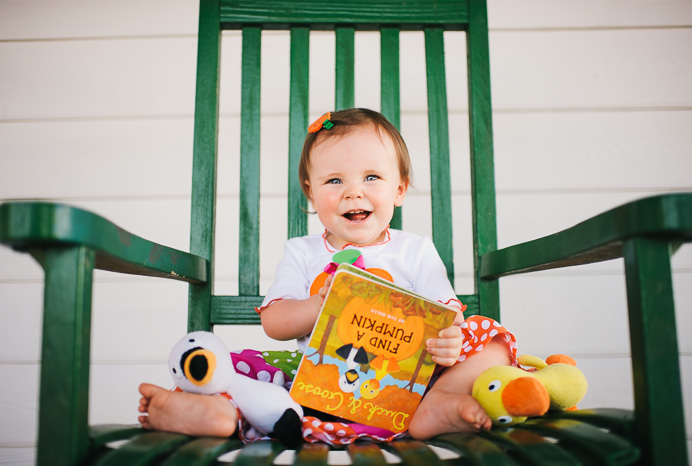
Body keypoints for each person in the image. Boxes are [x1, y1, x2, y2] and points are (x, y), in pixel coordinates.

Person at [138, 108, 518, 443]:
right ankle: (214, 416)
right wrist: (322, 304)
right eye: (334, 181)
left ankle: (438, 404)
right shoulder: (302, 252)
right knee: (232, 368)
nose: (353, 192)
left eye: (372, 177)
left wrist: (450, 339)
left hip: (407, 390)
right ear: (311, 192)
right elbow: (274, 321)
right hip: (314, 388)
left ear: (399, 189)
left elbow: (448, 315)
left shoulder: (415, 250)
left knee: (492, 338)